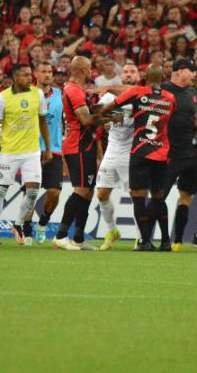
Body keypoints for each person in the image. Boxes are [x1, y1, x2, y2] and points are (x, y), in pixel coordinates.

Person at [99, 65, 176, 251]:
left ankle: (144, 241)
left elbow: (107, 108)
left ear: (144, 77)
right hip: (160, 152)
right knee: (158, 197)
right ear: (162, 79)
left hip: (140, 151)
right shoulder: (170, 98)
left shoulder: (136, 92)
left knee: (138, 197)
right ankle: (166, 241)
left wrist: (110, 115)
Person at [161, 58, 197, 253]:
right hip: (169, 154)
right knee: (160, 197)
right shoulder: (164, 91)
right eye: (191, 71)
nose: (194, 76)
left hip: (190, 153)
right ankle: (151, 238)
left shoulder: (193, 94)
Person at [0, 63, 51, 246]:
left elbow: (42, 122)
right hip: (8, 153)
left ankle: (17, 224)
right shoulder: (2, 98)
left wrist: (47, 148)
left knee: (32, 192)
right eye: (25, 75)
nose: (30, 78)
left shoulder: (37, 94)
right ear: (16, 78)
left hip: (31, 152)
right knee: (0, 193)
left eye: (29, 74)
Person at [53, 55, 106, 251]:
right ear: (83, 70)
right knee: (81, 190)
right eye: (90, 67)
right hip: (78, 146)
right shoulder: (73, 90)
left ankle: (78, 238)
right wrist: (108, 116)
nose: (92, 71)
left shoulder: (79, 90)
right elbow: (85, 120)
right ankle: (60, 235)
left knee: (88, 191)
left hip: (87, 145)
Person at [96, 62, 140, 250]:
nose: (129, 75)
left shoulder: (141, 96)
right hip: (111, 151)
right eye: (126, 72)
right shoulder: (108, 96)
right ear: (122, 76)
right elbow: (97, 113)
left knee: (135, 196)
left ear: (138, 76)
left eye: (133, 72)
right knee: (102, 194)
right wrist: (106, 119)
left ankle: (141, 236)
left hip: (131, 153)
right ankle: (112, 230)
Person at [34, 60, 64, 244]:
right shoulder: (28, 95)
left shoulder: (60, 94)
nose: (47, 74)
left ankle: (43, 222)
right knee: (30, 193)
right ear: (36, 74)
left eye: (50, 72)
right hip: (31, 150)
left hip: (55, 150)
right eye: (43, 71)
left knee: (54, 192)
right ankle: (24, 229)